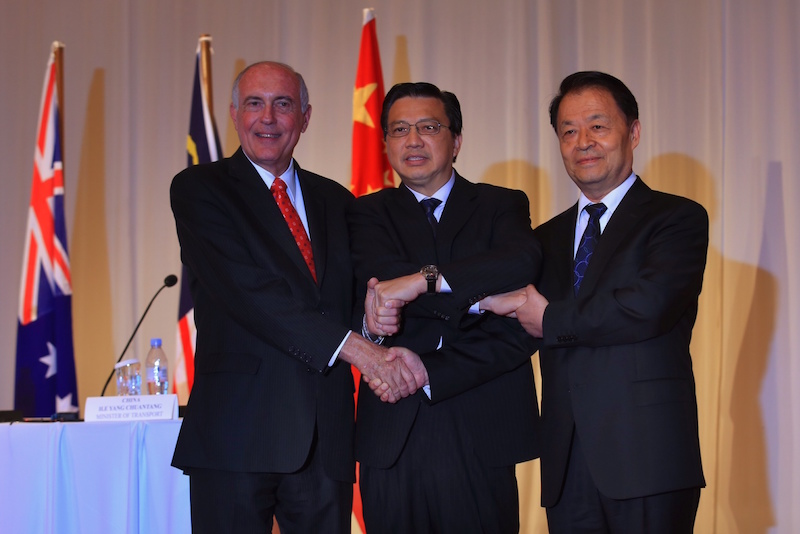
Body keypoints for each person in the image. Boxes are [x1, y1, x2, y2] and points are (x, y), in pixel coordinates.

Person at [170, 61, 424, 534]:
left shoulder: (338, 200)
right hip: (236, 434)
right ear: (233, 113)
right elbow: (250, 294)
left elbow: (354, 299)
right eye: (254, 103)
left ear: (305, 117)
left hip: (324, 439)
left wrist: (375, 319)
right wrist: (361, 351)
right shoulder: (200, 190)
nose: (267, 117)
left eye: (282, 104)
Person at [484, 71, 708, 533]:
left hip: (648, 461)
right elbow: (508, 329)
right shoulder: (543, 239)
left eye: (598, 126)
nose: (582, 141)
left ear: (634, 132)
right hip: (567, 465)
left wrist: (550, 318)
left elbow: (648, 305)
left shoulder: (676, 218)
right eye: (568, 131)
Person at [347, 82, 541, 533]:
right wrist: (486, 299)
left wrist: (420, 282)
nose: (413, 140)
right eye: (399, 129)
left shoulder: (501, 204)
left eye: (428, 127)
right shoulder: (363, 214)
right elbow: (378, 277)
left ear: (455, 140)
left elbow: (520, 264)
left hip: (480, 422)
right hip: (393, 422)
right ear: (386, 144)